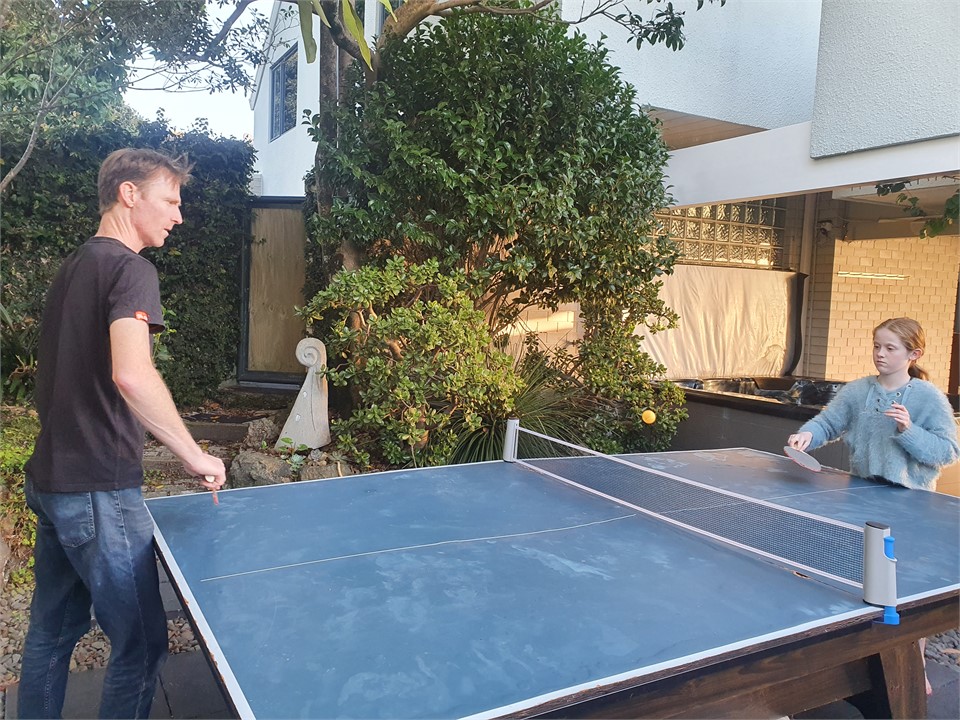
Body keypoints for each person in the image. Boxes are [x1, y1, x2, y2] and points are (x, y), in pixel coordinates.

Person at [18, 148, 226, 719]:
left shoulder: (74, 266)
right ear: (129, 194)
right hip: (98, 493)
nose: (178, 216)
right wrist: (192, 454)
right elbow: (132, 373)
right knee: (141, 643)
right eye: (171, 201)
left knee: (52, 636)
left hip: (55, 481)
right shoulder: (131, 269)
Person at [787, 316, 959, 695]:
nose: (880, 354)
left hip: (911, 505)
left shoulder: (928, 397)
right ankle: (863, 663)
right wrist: (806, 435)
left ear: (913, 354)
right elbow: (829, 423)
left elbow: (948, 452)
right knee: (861, 584)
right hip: (861, 498)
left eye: (890, 348)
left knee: (906, 592)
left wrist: (908, 431)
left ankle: (914, 671)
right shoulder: (858, 390)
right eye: (876, 345)